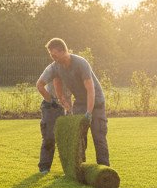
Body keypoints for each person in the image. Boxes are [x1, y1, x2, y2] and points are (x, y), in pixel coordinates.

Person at [39, 38, 109, 167]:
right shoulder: (56, 66)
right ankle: (80, 167)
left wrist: (89, 112)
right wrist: (61, 99)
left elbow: (90, 89)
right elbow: (56, 81)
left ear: (62, 51)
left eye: (53, 54)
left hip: (96, 102)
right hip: (80, 103)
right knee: (79, 138)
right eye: (50, 54)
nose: (52, 57)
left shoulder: (81, 63)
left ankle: (104, 170)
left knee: (98, 137)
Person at [35, 62, 64, 173]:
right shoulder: (53, 68)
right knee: (49, 137)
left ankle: (70, 168)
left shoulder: (74, 70)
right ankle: (44, 168)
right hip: (51, 105)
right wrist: (51, 101)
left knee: (66, 138)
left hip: (66, 104)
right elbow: (39, 85)